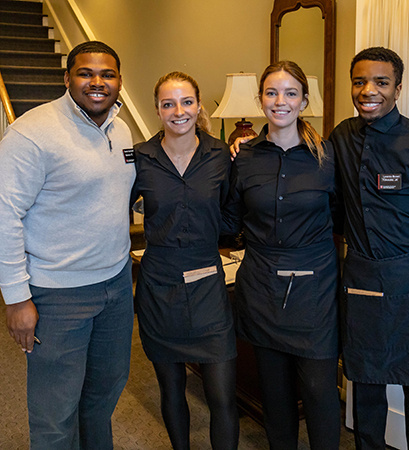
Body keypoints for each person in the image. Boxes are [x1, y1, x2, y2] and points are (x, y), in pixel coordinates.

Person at [0, 41, 135, 449]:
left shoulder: (121, 126)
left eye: (107, 74)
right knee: (55, 413)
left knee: (103, 395)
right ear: (67, 78)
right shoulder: (31, 133)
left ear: (119, 81)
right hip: (57, 295)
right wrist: (16, 298)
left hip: (115, 284)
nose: (97, 82)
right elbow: (4, 216)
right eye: (86, 73)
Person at [329, 47, 409, 449]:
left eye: (381, 82)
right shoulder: (341, 137)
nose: (369, 91)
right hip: (361, 283)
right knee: (365, 393)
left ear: (398, 88)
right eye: (360, 81)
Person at [223, 61, 342, 450]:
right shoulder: (243, 158)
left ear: (304, 101)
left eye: (291, 93)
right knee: (274, 399)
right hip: (262, 290)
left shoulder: (328, 158)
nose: (280, 101)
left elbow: (341, 218)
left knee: (321, 394)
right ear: (261, 100)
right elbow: (230, 222)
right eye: (272, 92)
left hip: (316, 293)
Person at [131, 72, 239, 450]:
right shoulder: (140, 158)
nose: (179, 111)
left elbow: (232, 215)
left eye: (187, 102)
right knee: (172, 390)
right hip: (159, 288)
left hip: (208, 286)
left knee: (223, 396)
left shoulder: (221, 155)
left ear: (198, 105)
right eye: (168, 104)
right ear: (157, 110)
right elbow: (111, 210)